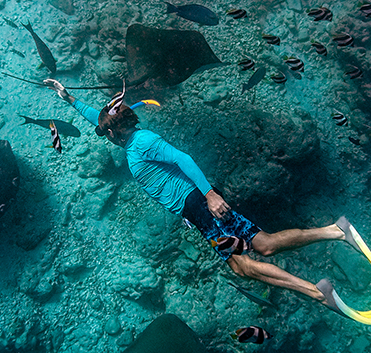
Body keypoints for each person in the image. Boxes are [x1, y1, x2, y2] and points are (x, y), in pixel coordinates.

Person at [44, 79, 351, 309]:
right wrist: (68, 97)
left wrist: (210, 195)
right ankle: (336, 231)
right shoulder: (130, 140)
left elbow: (183, 159)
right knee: (264, 245)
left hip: (200, 205)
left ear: (113, 132)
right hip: (196, 206)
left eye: (105, 132)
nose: (105, 135)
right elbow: (99, 119)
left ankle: (317, 292)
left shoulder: (142, 142)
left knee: (242, 265)